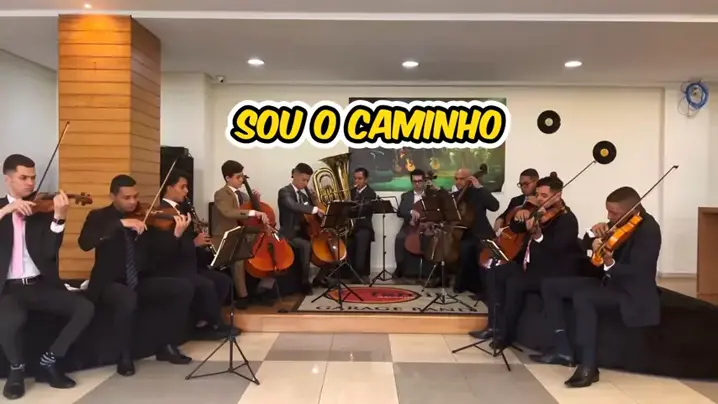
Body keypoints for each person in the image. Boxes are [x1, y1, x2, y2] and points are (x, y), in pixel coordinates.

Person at [530, 186, 662, 388]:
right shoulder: (620, 222)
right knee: (551, 286)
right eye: (608, 211)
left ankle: (588, 365)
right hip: (609, 282)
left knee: (584, 296)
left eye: (614, 213)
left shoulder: (649, 230)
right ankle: (562, 349)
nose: (609, 217)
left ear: (633, 210)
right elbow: (584, 244)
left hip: (630, 292)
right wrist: (592, 235)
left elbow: (638, 270)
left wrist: (610, 264)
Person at [78, 174, 194, 378]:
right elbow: (85, 243)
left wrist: (175, 235)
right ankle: (124, 355)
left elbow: (160, 253)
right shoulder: (99, 217)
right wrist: (120, 223)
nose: (133, 202)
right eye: (127, 198)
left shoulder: (145, 217)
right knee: (126, 297)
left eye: (135, 196)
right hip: (109, 281)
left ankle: (166, 345)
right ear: (113, 196)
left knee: (182, 288)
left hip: (139, 278)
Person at [0, 154, 95, 400]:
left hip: (39, 285)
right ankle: (16, 370)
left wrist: (59, 217)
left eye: (33, 177)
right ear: (7, 178)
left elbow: (49, 253)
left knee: (84, 308)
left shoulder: (40, 210)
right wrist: (7, 210)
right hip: (8, 288)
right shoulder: (1, 208)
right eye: (23, 177)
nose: (30, 183)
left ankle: (49, 360)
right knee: (9, 321)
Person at [469, 173, 583, 347]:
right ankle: (494, 325)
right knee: (495, 272)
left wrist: (538, 236)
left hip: (551, 270)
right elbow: (516, 228)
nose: (540, 199)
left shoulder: (567, 219)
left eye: (544, 195)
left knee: (515, 283)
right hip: (530, 265)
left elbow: (558, 250)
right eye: (537, 195)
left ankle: (507, 335)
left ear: (557, 195)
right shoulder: (539, 213)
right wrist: (519, 214)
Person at [154, 169, 236, 339]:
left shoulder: (182, 209)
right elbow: (164, 245)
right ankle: (214, 324)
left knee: (223, 280)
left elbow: (188, 237)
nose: (186, 191)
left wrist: (200, 239)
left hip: (190, 263)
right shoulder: (160, 213)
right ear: (169, 188)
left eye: (187, 187)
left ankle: (203, 320)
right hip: (174, 267)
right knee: (206, 285)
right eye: (182, 187)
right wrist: (194, 243)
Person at [211, 160, 269, 309]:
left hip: (243, 235)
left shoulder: (244, 195)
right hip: (226, 236)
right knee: (239, 260)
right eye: (238, 177)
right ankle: (243, 296)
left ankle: (260, 290)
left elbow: (251, 216)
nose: (242, 180)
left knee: (261, 253)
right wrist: (253, 212)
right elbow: (229, 212)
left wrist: (256, 202)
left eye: (242, 176)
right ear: (227, 178)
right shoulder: (221, 194)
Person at [277, 163, 327, 294]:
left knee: (327, 247)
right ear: (294, 175)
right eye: (303, 180)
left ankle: (319, 278)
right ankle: (305, 283)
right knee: (305, 245)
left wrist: (314, 200)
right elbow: (293, 206)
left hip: (305, 232)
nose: (305, 183)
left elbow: (312, 218)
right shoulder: (284, 192)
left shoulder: (304, 196)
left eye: (307, 180)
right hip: (289, 233)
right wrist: (314, 209)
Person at [452, 167, 500, 294]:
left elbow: (494, 206)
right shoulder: (456, 195)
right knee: (463, 251)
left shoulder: (479, 193)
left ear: (470, 179)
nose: (458, 182)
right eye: (456, 179)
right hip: (463, 233)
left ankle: (483, 288)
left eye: (461, 179)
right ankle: (465, 284)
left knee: (478, 251)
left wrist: (479, 187)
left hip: (481, 233)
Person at [394, 169, 427, 279]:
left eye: (419, 181)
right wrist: (411, 212)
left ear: (424, 181)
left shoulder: (431, 195)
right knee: (400, 238)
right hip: (409, 226)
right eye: (414, 181)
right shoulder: (406, 195)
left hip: (426, 227)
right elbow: (400, 212)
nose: (417, 184)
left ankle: (429, 271)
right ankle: (400, 268)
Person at [346, 167, 376, 283]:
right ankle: (350, 273)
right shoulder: (350, 192)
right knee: (347, 244)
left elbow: (364, 210)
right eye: (355, 178)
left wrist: (351, 207)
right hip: (351, 226)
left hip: (364, 226)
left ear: (366, 180)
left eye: (360, 179)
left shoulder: (370, 193)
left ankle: (362, 274)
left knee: (361, 245)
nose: (356, 181)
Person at [493, 168, 539, 233]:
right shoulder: (515, 200)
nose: (522, 187)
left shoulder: (541, 201)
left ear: (536, 182)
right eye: (521, 184)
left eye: (526, 184)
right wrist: (500, 219)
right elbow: (506, 214)